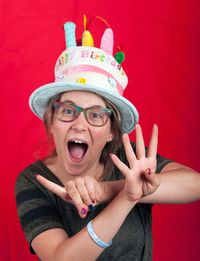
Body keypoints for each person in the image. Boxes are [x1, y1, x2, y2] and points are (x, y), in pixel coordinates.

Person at [15, 18, 200, 261]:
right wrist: (127, 197)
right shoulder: (33, 181)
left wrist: (108, 190)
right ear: (51, 121)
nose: (80, 125)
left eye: (95, 115)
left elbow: (194, 184)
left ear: (112, 131)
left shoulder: (128, 159)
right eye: (68, 111)